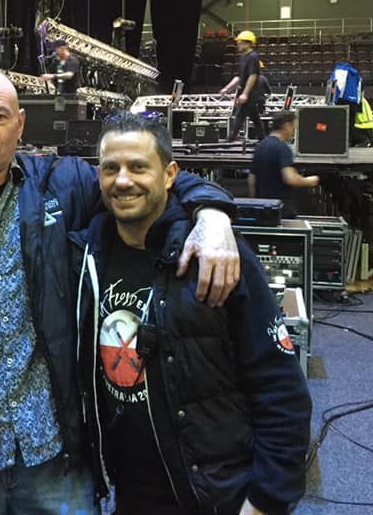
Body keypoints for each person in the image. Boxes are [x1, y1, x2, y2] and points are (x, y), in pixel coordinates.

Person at [0, 68, 240, 514]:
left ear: (20, 124)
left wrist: (213, 212)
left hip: (57, 455)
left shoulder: (63, 187)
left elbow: (145, 184)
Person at [72, 111, 312, 515]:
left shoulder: (217, 257)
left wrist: (267, 500)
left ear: (170, 175)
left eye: (138, 167)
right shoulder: (85, 253)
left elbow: (282, 389)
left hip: (217, 494)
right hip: (132, 493)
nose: (123, 180)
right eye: (110, 168)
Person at [250, 110, 319, 217]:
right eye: (293, 127)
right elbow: (290, 178)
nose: (294, 130)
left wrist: (255, 203)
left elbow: (251, 179)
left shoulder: (260, 146)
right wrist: (309, 181)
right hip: (281, 210)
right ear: (286, 126)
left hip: (263, 209)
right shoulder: (283, 148)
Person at [220, 30, 267, 141]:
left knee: (240, 115)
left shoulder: (253, 56)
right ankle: (263, 139)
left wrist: (245, 94)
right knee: (254, 117)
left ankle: (230, 139)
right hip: (246, 92)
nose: (238, 45)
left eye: (240, 42)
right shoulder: (243, 57)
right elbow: (239, 76)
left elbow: (253, 75)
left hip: (251, 93)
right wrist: (227, 88)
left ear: (248, 43)